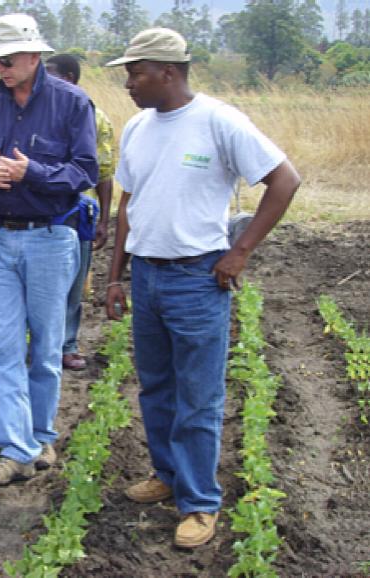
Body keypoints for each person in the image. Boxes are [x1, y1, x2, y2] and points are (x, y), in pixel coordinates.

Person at [104, 28, 300, 548]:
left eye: (135, 72)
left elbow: (285, 180)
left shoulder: (219, 120)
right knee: (156, 388)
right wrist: (114, 276)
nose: (128, 83)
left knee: (198, 397)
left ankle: (199, 503)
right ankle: (166, 475)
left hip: (197, 277)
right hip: (145, 275)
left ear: (168, 72)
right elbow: (129, 203)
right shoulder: (138, 128)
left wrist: (240, 251)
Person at [0, 14, 98, 485]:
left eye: (8, 57)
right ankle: (15, 449)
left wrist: (30, 172)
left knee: (47, 346)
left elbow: (84, 173)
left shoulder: (72, 103)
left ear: (35, 55)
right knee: (3, 347)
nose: (0, 65)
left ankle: (40, 434)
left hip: (51, 238)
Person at [45, 54, 115, 371]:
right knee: (41, 283)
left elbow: (104, 173)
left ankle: (67, 345)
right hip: (39, 212)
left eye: (53, 75)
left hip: (77, 213)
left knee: (74, 282)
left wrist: (103, 220)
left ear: (71, 78)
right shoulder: (34, 112)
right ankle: (41, 343)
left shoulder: (95, 118)